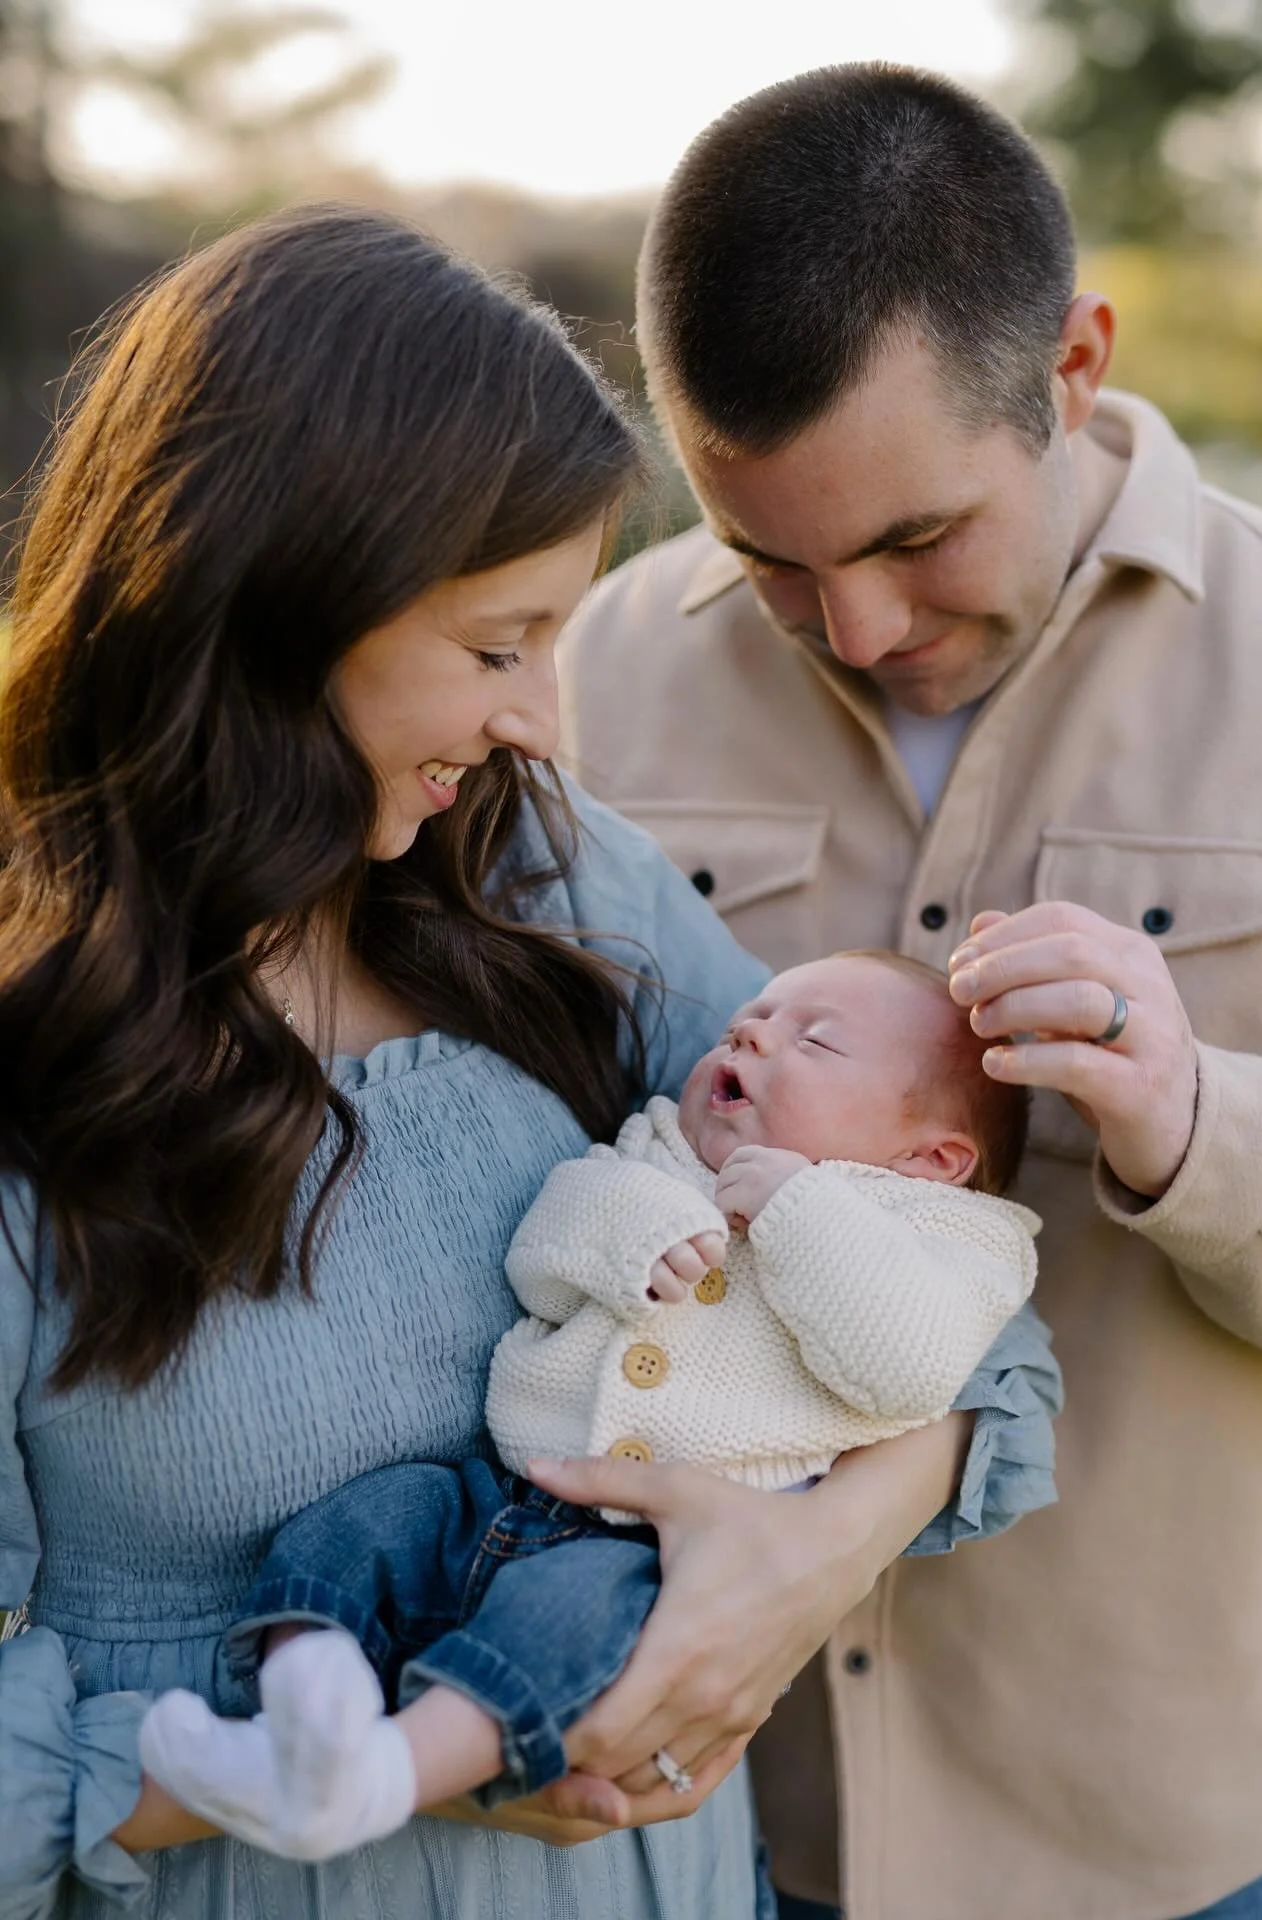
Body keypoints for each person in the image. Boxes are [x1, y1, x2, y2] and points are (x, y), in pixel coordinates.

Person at [0, 204, 1062, 1920]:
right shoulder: (38, 1039)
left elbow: (959, 1302)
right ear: (273, 608)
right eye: (501, 649)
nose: (546, 724)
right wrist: (365, 1779)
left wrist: (792, 1568)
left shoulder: (547, 876)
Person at [557, 61, 1262, 1920]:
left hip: (1175, 1840)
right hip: (711, 1814)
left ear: (1075, 363)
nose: (859, 632)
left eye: (913, 541)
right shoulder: (594, 679)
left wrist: (1209, 1124)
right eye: (771, 563)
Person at [134, 950, 1040, 1861]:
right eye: (748, 1021)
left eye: (814, 1041)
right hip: (501, 1488)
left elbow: (908, 1369)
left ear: (931, 1157)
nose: (750, 1033)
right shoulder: (660, 1151)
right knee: (365, 1522)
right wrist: (634, 1236)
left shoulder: (952, 1241)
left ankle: (389, 1769)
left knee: (563, 1633)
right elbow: (547, 1251)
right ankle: (304, 1699)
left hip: (651, 1554)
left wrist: (799, 1207)